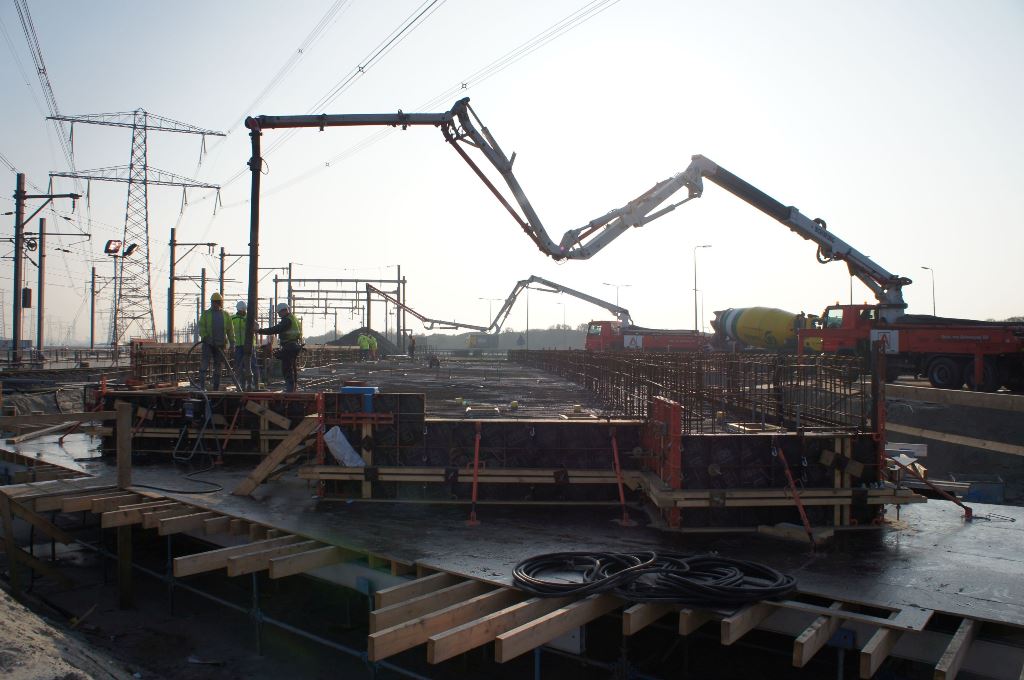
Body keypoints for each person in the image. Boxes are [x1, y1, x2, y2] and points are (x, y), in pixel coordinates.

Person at [257, 302, 303, 392]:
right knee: (292, 367)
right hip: (294, 345)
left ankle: (290, 388)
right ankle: (293, 387)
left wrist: (260, 331)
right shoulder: (293, 319)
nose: (278, 315)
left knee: (286, 368)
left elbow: (275, 329)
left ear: (284, 311)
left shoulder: (287, 320)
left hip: (289, 346)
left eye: (279, 313)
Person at [198, 292, 235, 390]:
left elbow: (230, 330)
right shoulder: (206, 314)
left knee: (218, 366)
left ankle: (216, 387)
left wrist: (232, 343)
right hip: (208, 344)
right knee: (204, 364)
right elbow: (201, 327)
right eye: (214, 302)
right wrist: (206, 337)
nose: (215, 304)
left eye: (217, 302)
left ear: (220, 303)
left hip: (220, 345)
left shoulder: (226, 315)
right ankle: (202, 386)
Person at [231, 300, 257, 391]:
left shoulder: (249, 318)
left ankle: (253, 384)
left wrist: (250, 320)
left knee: (252, 365)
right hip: (238, 345)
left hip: (249, 346)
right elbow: (228, 330)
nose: (243, 312)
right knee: (239, 366)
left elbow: (256, 327)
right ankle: (241, 385)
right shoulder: (233, 318)